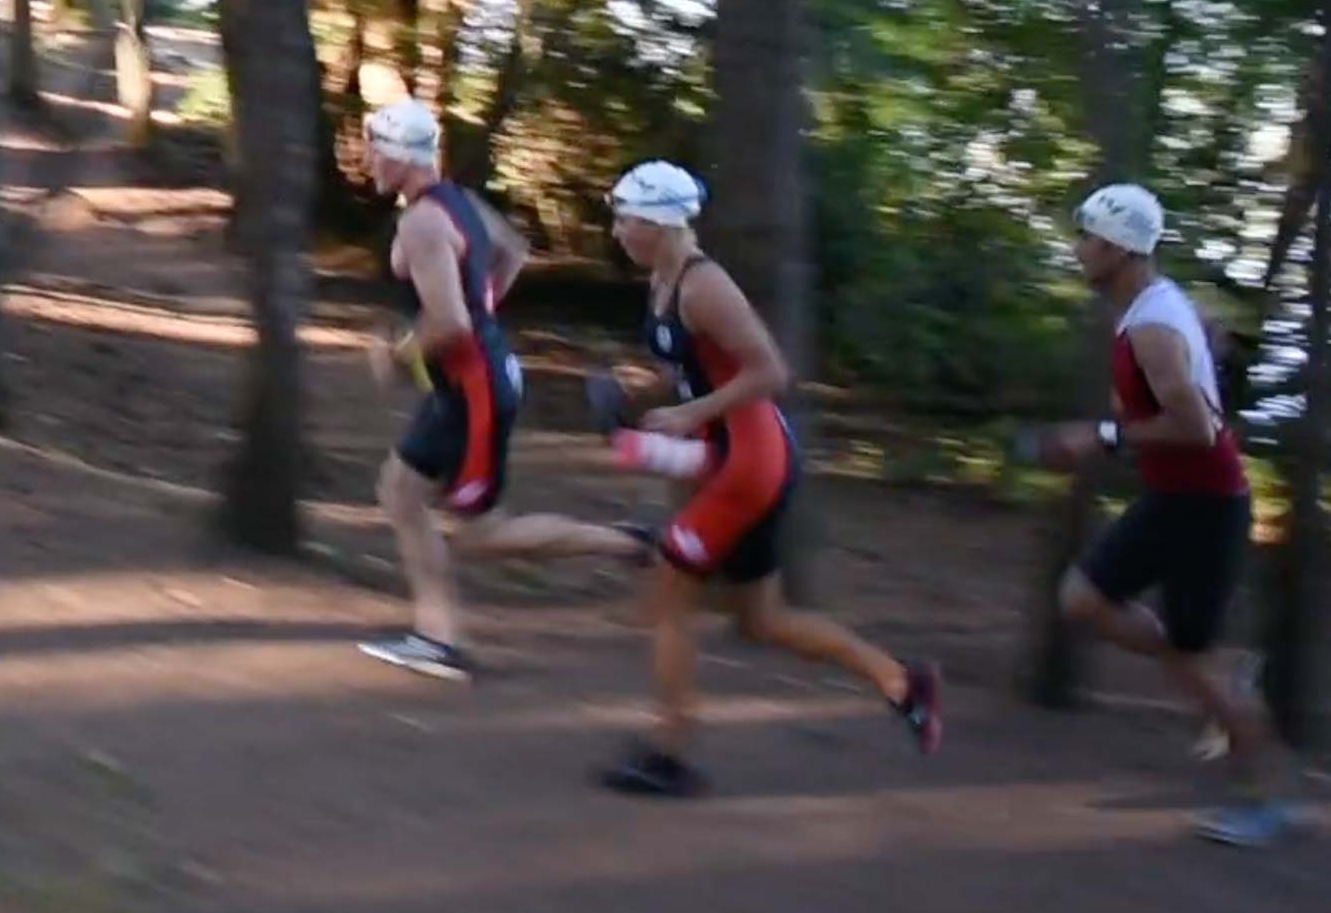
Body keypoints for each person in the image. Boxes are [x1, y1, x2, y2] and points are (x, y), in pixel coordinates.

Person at [593, 161, 941, 798]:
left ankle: (670, 750)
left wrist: (691, 414)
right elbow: (696, 367)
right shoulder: (663, 278)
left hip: (750, 464)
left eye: (626, 219)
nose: (617, 231)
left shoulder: (704, 285)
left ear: (662, 223)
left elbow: (770, 372)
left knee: (669, 595)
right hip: (727, 456)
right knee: (762, 619)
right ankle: (901, 682)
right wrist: (642, 399)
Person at [1032, 182, 1294, 847]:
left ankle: (1268, 802)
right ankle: (1203, 664)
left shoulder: (1150, 322)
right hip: (1178, 500)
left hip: (1205, 508)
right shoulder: (1155, 307)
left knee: (1191, 662)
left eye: (1087, 237)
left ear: (1119, 247)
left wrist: (1103, 437)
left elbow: (1200, 428)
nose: (1078, 249)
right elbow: (1194, 372)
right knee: (1084, 600)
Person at [355, 100, 649, 682]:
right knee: (400, 492)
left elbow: (451, 324)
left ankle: (631, 544)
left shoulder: (421, 222)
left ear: (397, 156)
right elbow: (514, 251)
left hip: (476, 390)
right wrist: (480, 313)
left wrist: (398, 356)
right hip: (469, 382)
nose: (366, 160)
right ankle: (435, 636)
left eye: (373, 149)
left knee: (481, 534)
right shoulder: (457, 201)